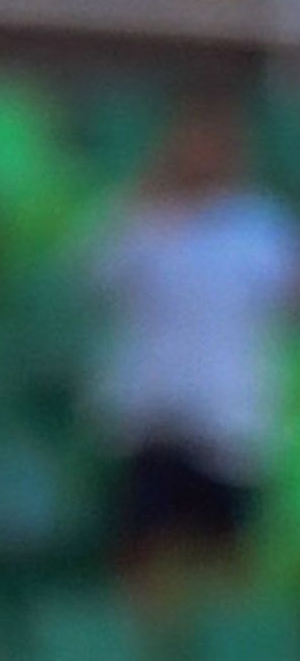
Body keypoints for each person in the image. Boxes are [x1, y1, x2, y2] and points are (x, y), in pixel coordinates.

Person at [90, 95, 294, 606]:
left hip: (228, 418)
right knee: (143, 546)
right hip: (154, 415)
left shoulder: (260, 228)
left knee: (224, 551)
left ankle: (219, 657)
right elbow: (96, 278)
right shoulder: (142, 218)